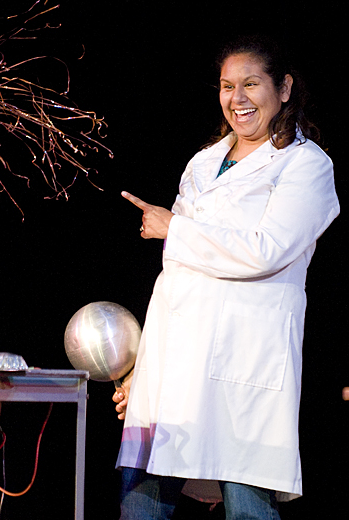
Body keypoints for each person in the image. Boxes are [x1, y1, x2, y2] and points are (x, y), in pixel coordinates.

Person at [112, 35, 339, 520]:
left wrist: (175, 228)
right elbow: (174, 281)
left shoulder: (306, 166)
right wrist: (144, 369)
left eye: (251, 84)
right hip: (173, 374)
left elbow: (266, 252)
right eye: (227, 86)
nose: (237, 98)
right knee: (139, 509)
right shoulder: (201, 164)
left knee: (247, 510)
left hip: (244, 368)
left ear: (284, 88)